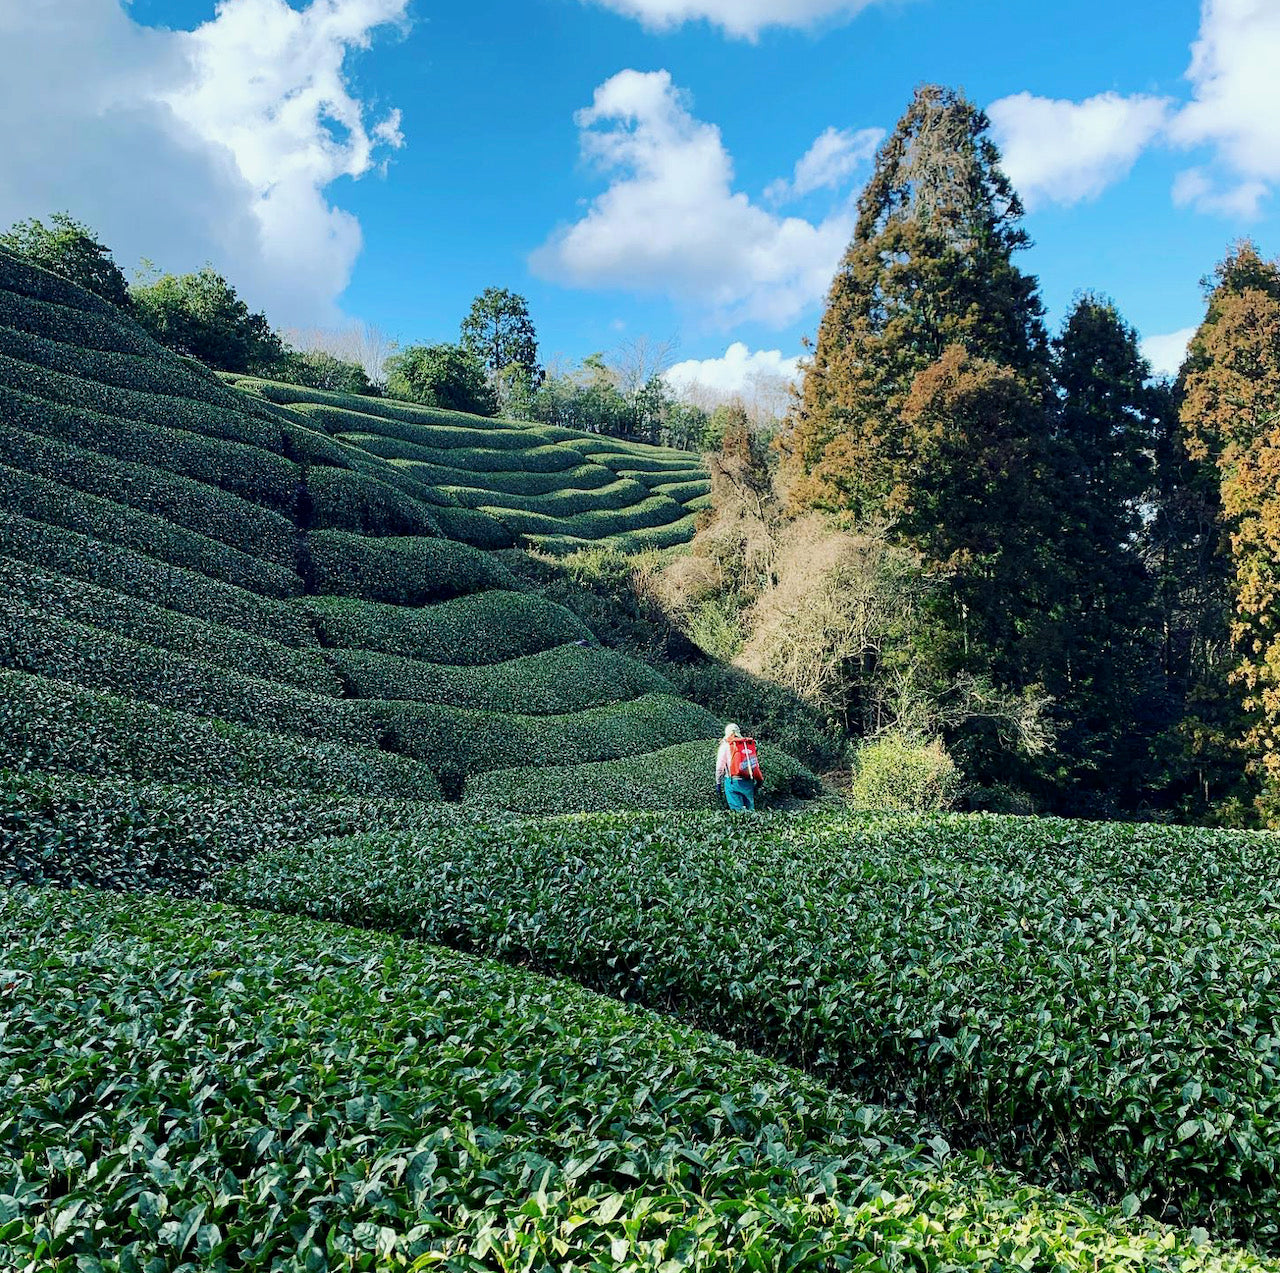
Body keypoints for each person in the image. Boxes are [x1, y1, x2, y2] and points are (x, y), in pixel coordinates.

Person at [716, 723, 759, 812]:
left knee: (737, 813)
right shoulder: (747, 744)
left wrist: (718, 783)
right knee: (750, 810)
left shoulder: (725, 745)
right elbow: (754, 763)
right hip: (748, 780)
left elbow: (720, 767)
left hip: (733, 781)